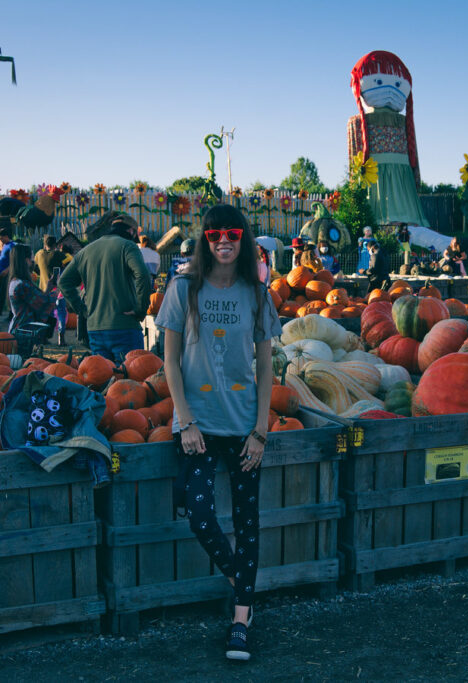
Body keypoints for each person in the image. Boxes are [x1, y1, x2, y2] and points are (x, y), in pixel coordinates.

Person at [154, 204, 280, 662]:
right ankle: (241, 582)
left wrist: (261, 429)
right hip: (199, 425)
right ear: (204, 239)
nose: (222, 240)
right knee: (201, 515)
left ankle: (241, 619)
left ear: (243, 238)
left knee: (248, 523)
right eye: (213, 234)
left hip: (243, 425)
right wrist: (184, 420)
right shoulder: (184, 288)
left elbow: (265, 365)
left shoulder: (256, 294)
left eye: (231, 233)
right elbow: (169, 360)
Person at [59, 213, 151, 361]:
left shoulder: (86, 251)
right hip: (124, 326)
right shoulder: (128, 246)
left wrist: (81, 309)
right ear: (131, 231)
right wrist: (140, 310)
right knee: (131, 378)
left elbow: (63, 282)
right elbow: (143, 275)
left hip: (95, 328)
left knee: (103, 377)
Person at [7, 243, 56, 334]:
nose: (34, 261)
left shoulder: (16, 281)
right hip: (24, 331)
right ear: (26, 261)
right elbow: (43, 302)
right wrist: (58, 291)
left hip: (19, 328)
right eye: (32, 258)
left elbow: (35, 301)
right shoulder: (23, 285)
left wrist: (48, 289)